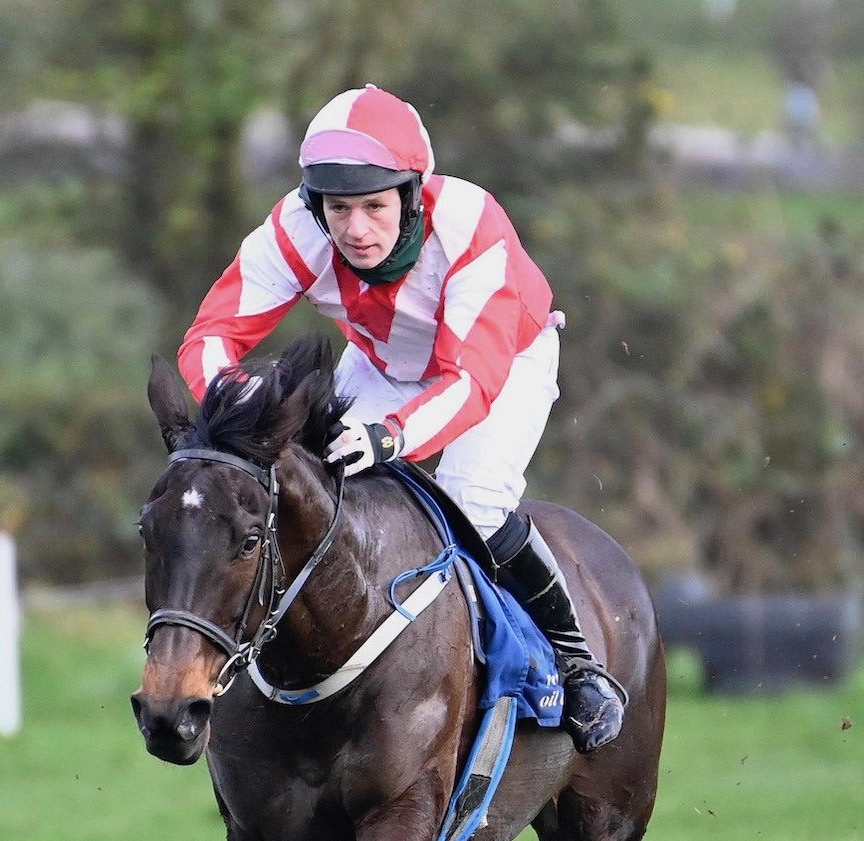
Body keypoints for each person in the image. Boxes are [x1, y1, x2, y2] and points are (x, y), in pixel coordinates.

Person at [177, 85, 625, 753]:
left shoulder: (471, 226)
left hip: (501, 365)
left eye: (375, 206)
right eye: (339, 208)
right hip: (385, 364)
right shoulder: (296, 229)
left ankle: (577, 662)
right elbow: (211, 335)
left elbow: (468, 381)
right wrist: (242, 403)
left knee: (473, 502)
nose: (355, 229)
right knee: (316, 492)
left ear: (414, 196)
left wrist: (392, 438)